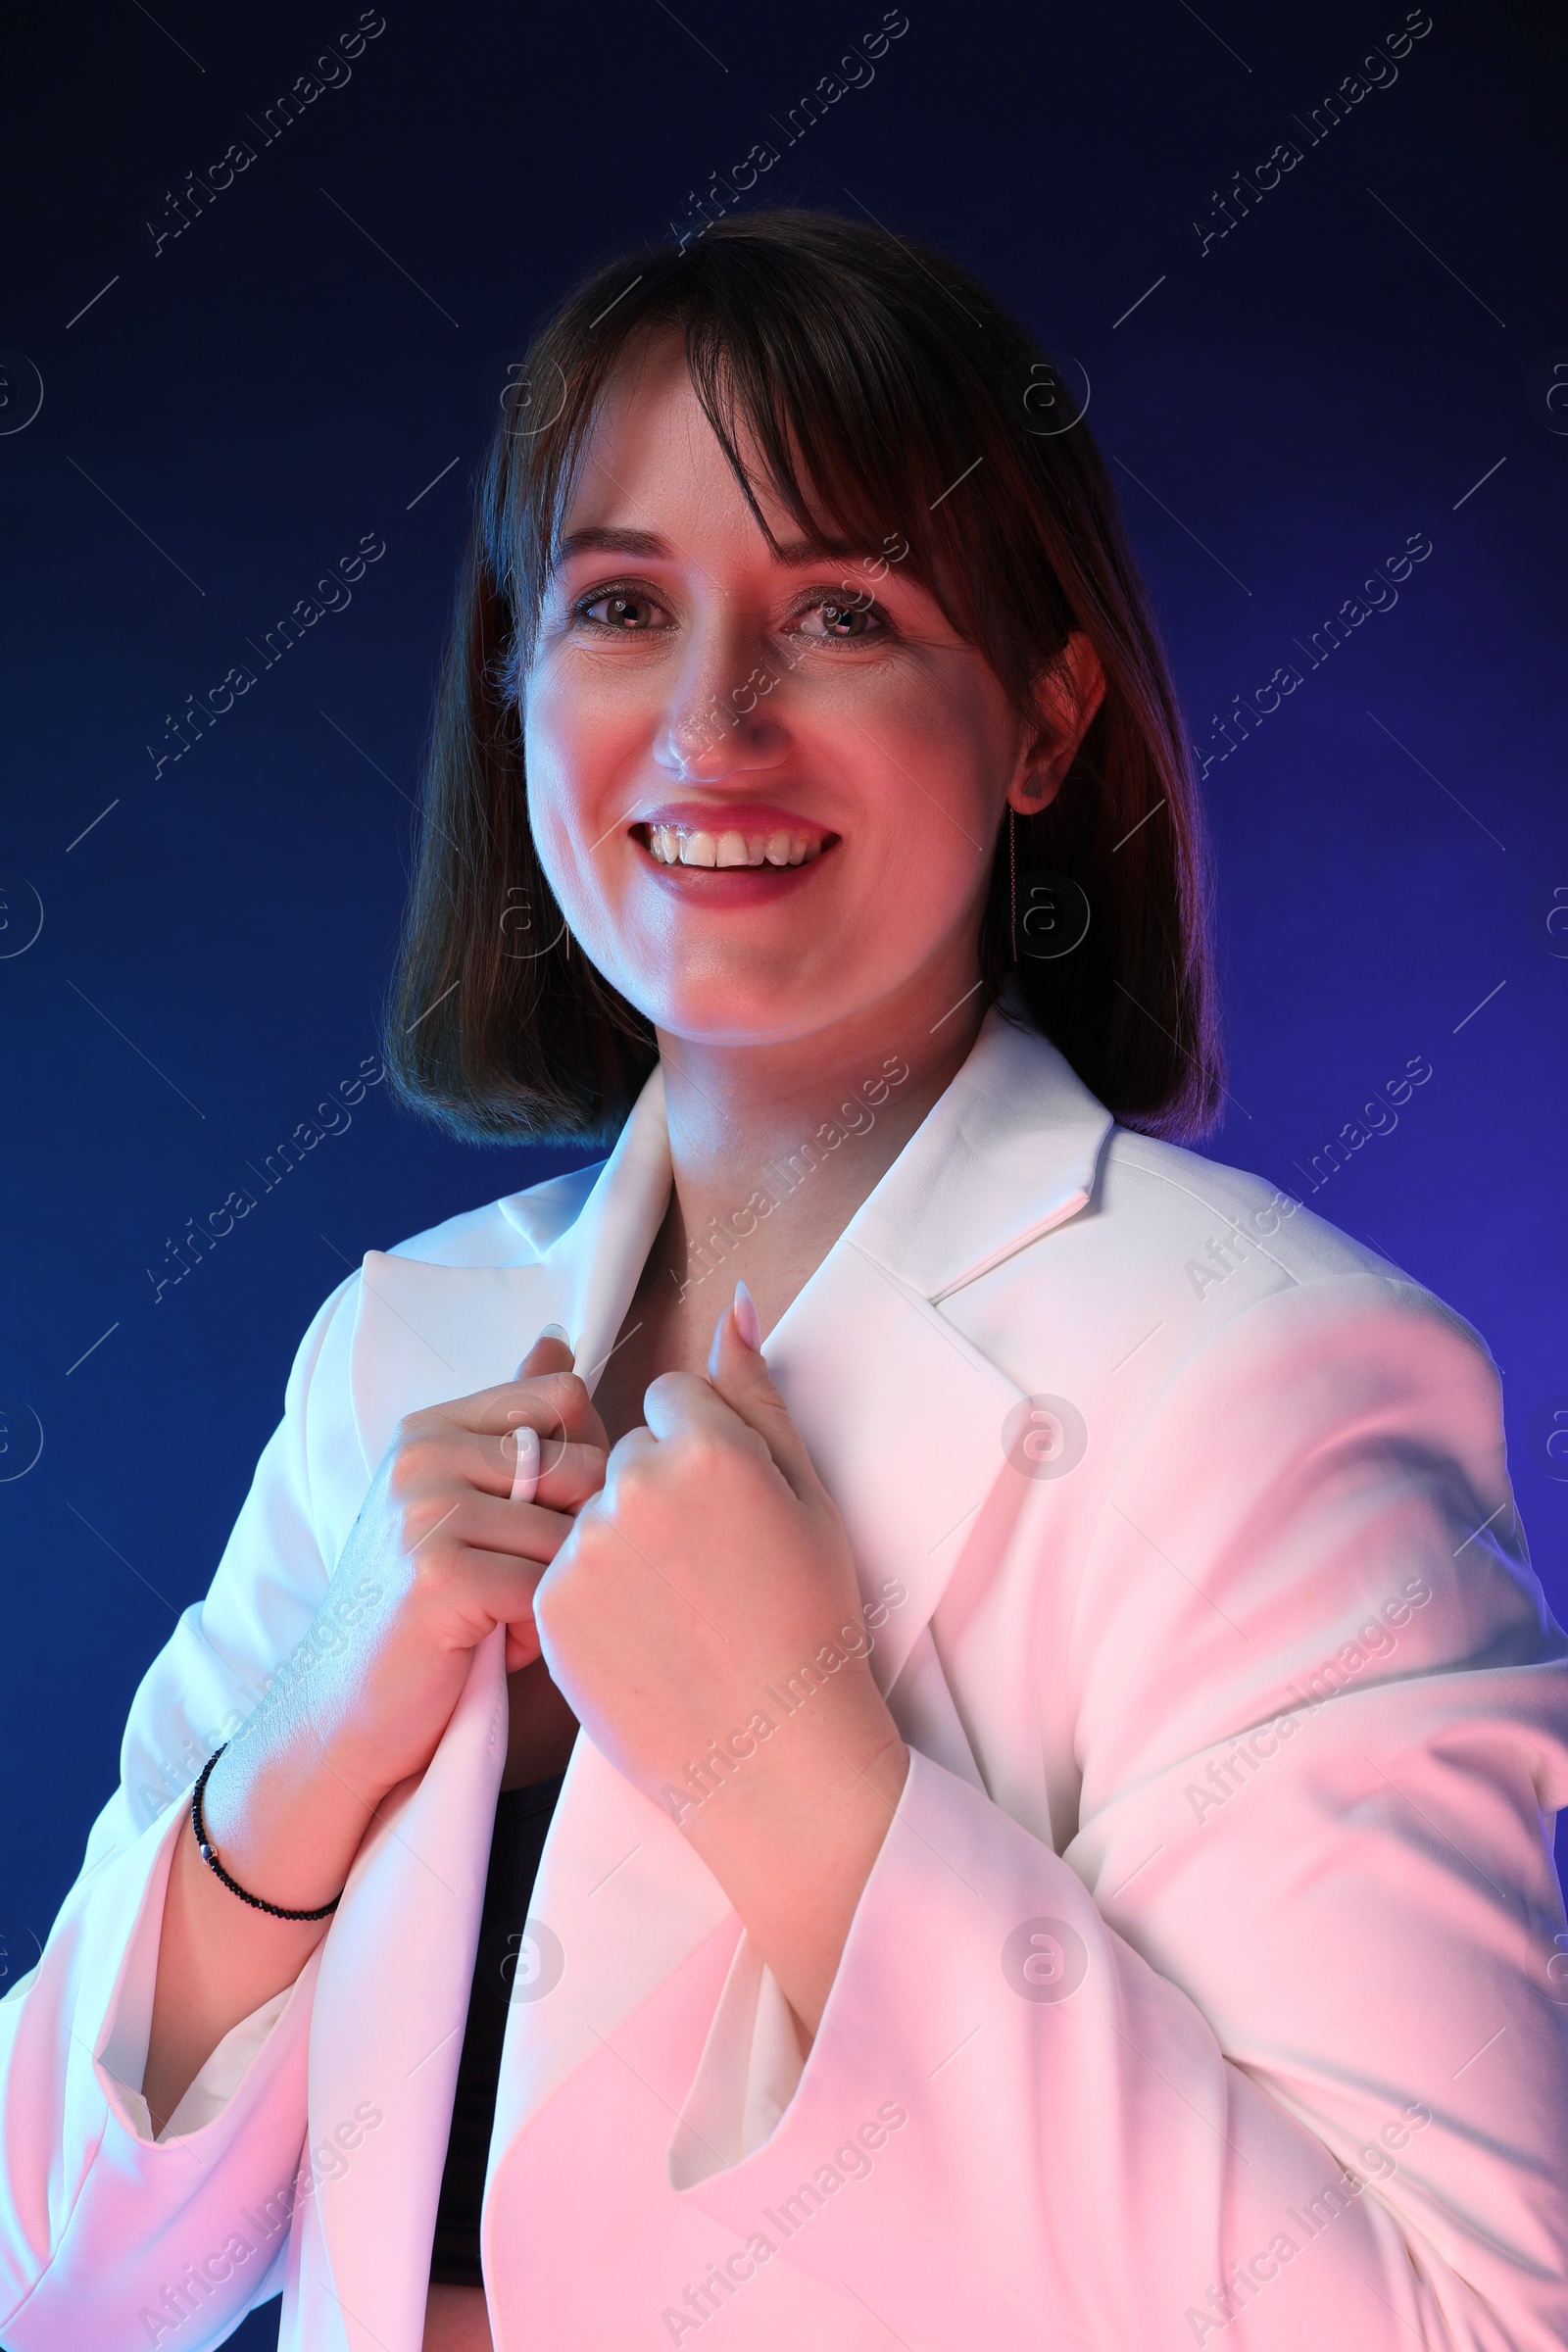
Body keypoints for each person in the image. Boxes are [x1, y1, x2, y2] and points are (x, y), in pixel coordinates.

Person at [3, 209, 1566, 2352]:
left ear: (1038, 722)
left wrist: (800, 1779)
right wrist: (295, 1763)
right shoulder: (401, 1353)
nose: (711, 720)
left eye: (836, 610)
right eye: (624, 606)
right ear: (519, 683)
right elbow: (58, 2284)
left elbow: (1450, 2334)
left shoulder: (1268, 1385)